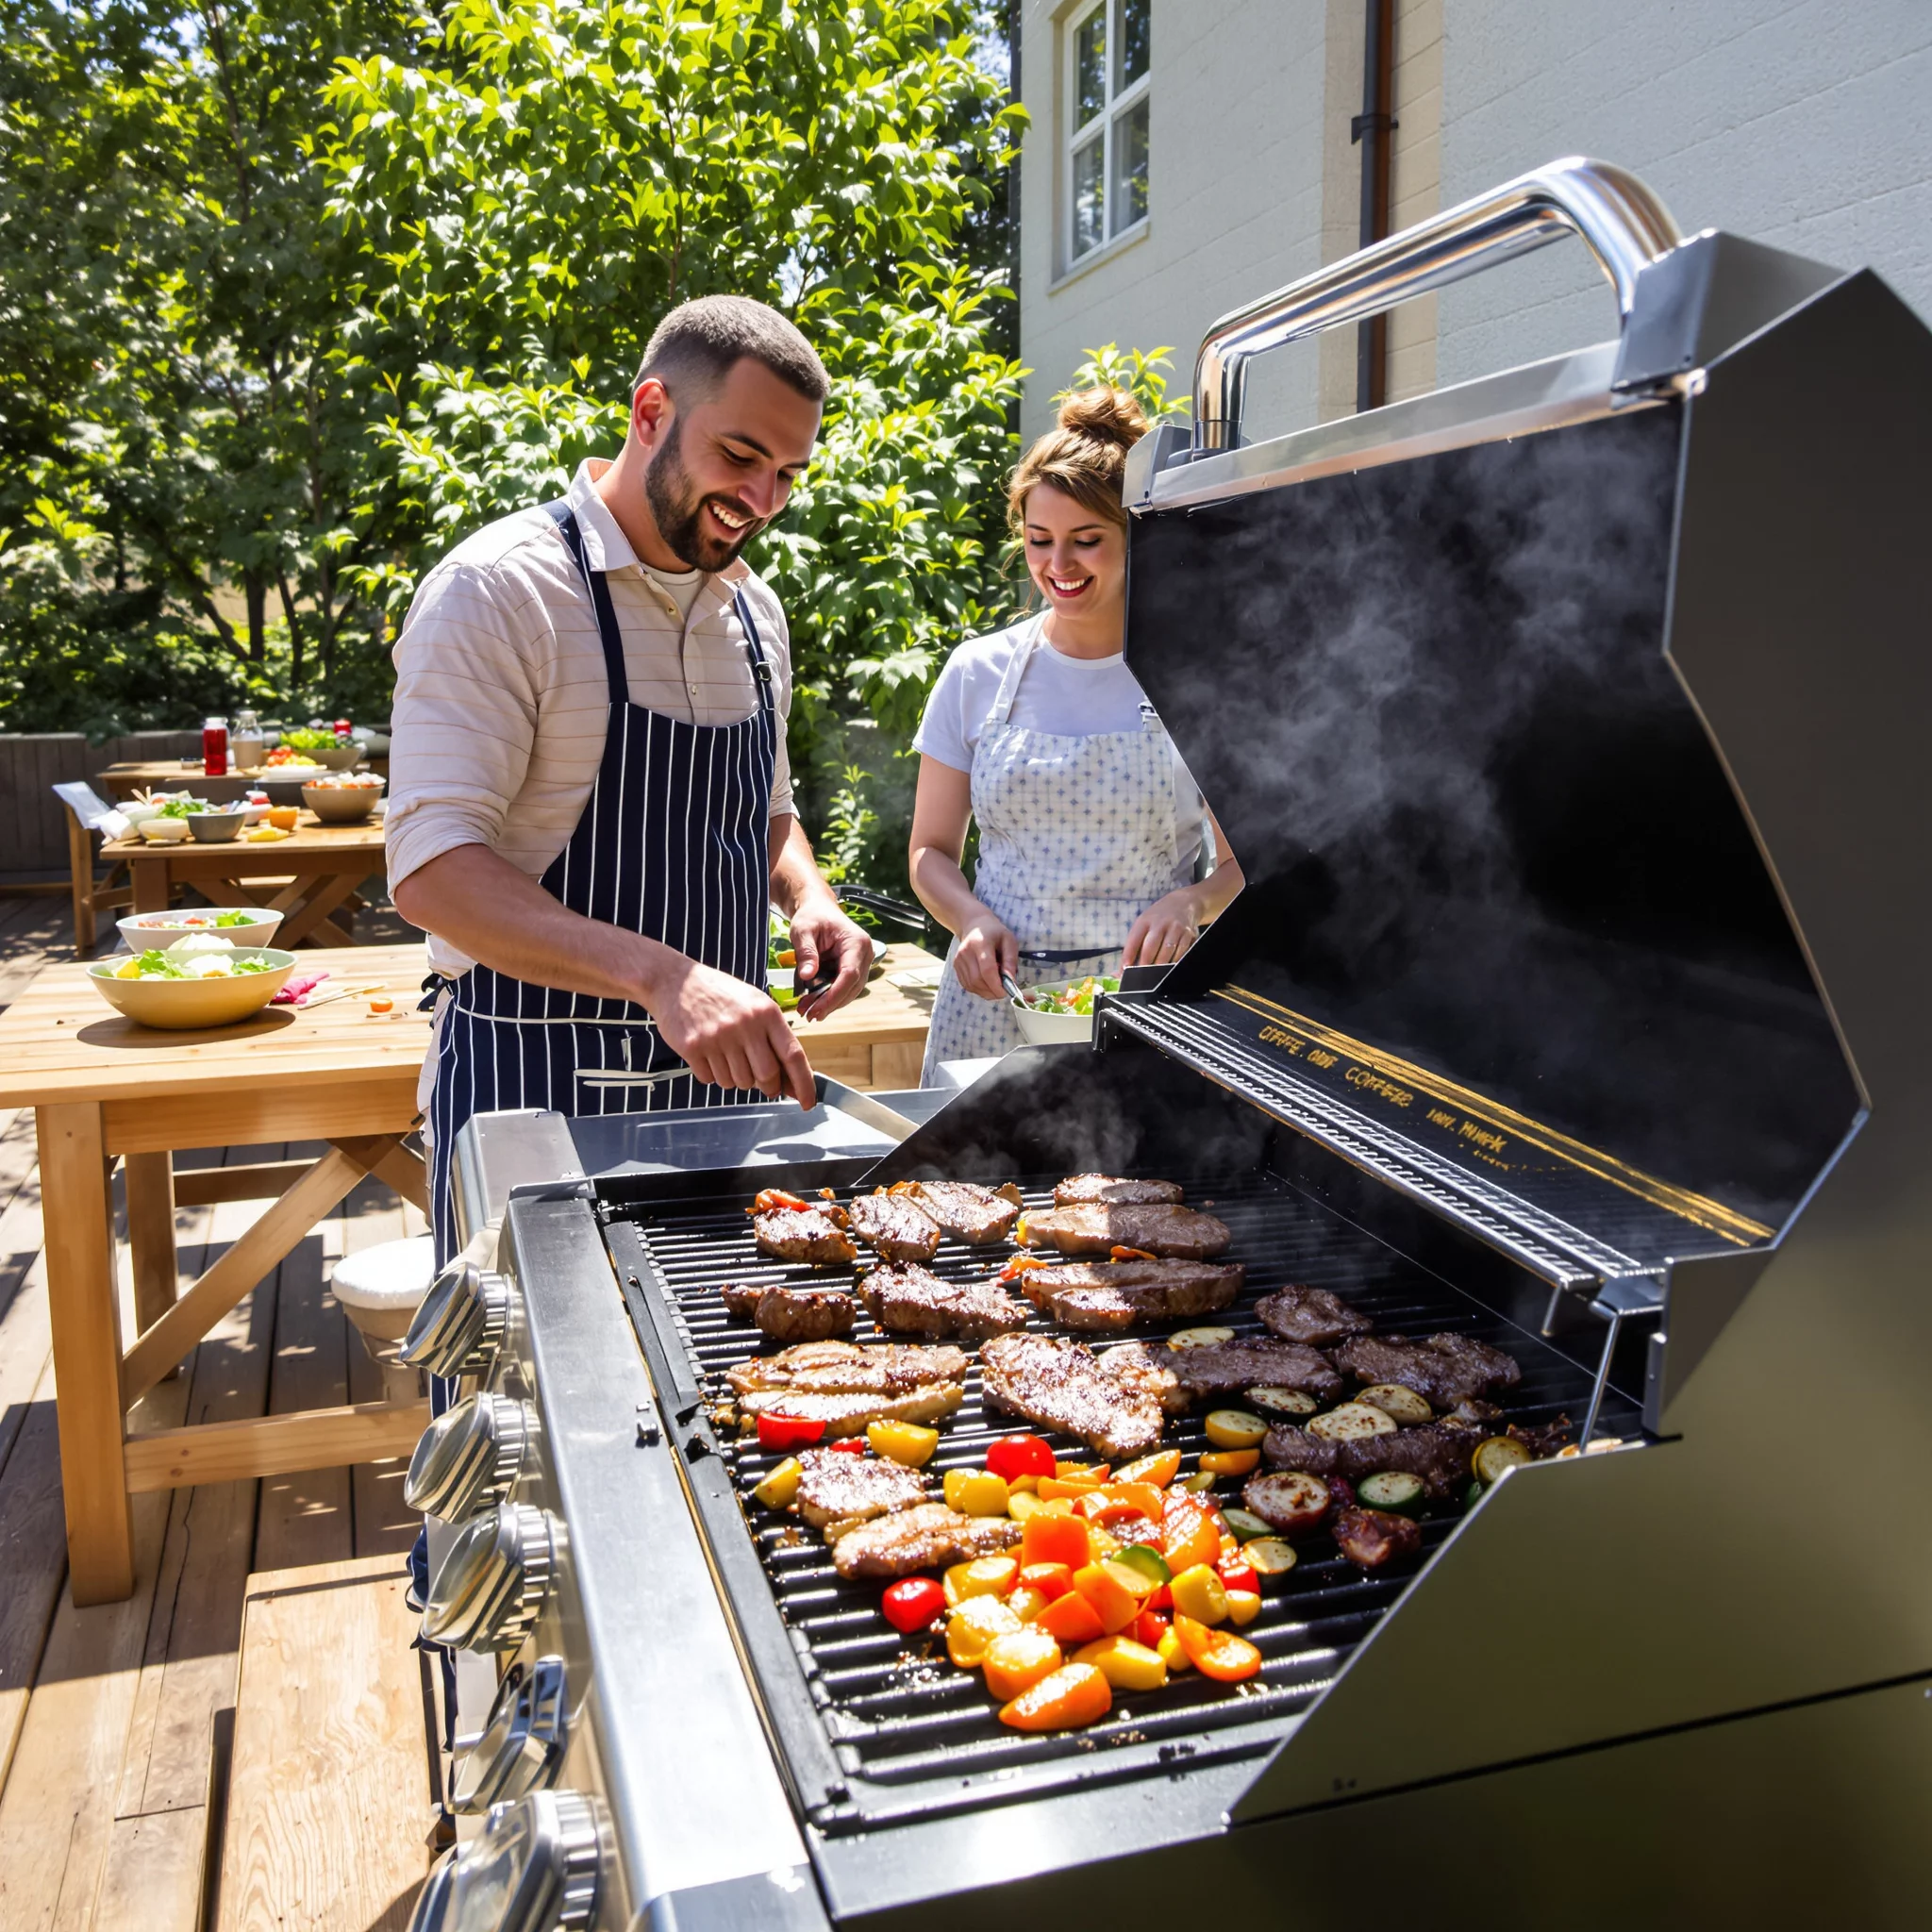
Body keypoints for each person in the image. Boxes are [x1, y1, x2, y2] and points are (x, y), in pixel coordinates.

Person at [387, 295, 874, 1264]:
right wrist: (662, 976)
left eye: (787, 474)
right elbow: (431, 868)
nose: (764, 500)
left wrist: (809, 897)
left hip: (720, 1105)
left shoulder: (753, 612)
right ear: (650, 411)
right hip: (530, 1097)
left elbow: (766, 810)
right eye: (739, 458)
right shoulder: (502, 589)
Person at [908, 387, 1243, 1076]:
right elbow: (929, 853)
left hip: (1146, 1010)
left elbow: (1245, 866)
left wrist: (1190, 903)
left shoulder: (1200, 678)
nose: (1058, 567)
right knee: (964, 1188)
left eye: (1086, 542)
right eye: (1039, 542)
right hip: (991, 1009)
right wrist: (969, 918)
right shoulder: (978, 671)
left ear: (1135, 538)